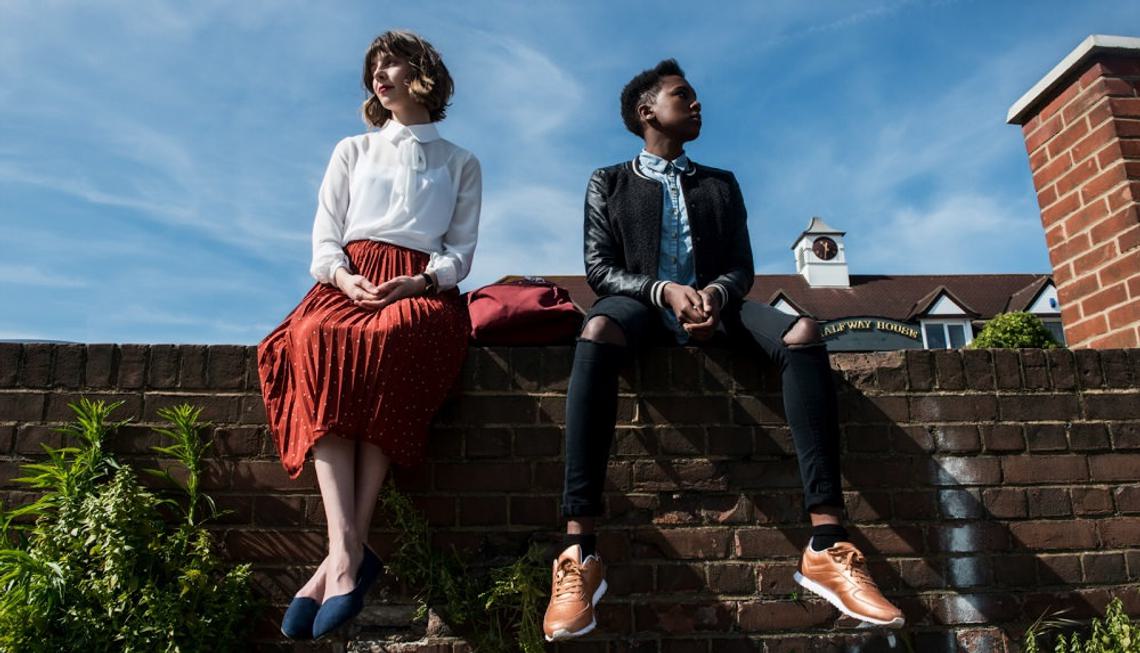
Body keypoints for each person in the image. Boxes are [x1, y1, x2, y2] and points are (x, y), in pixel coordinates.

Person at [541, 59, 904, 642]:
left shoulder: (720, 182)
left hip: (721, 308)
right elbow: (601, 271)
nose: (697, 103)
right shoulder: (606, 180)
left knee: (804, 333)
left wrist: (711, 295)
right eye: (682, 95)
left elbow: (742, 266)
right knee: (596, 332)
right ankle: (578, 552)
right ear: (646, 112)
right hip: (640, 310)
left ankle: (826, 544)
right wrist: (663, 290)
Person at [257, 30, 480, 641]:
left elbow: (460, 253)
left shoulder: (461, 161)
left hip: (416, 287)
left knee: (396, 341)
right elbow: (325, 236)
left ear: (424, 72)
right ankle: (347, 553)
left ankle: (338, 564)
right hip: (349, 280)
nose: (379, 73)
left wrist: (419, 284)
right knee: (315, 336)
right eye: (373, 66)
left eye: (392, 62)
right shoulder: (352, 149)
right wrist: (344, 278)